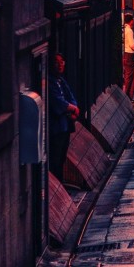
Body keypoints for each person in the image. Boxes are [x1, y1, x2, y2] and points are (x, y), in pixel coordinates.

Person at [48, 53, 79, 182]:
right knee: (55, 158)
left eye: (62, 62)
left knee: (61, 157)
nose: (60, 65)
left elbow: (70, 96)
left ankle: (61, 184)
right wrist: (72, 108)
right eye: (56, 62)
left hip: (65, 125)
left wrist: (74, 107)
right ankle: (58, 183)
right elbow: (57, 102)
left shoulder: (61, 80)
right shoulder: (50, 81)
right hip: (56, 126)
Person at [122, 13, 134, 99]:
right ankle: (126, 96)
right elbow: (131, 44)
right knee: (129, 76)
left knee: (127, 75)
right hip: (129, 54)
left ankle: (128, 96)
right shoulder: (129, 30)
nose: (133, 21)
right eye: (133, 19)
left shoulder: (124, 29)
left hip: (125, 54)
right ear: (131, 20)